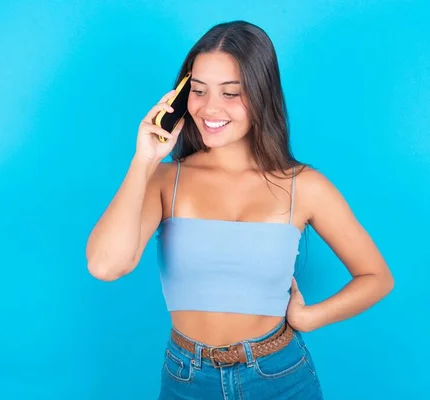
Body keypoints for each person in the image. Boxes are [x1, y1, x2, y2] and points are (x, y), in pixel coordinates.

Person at [85, 20, 394, 399]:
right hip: (187, 378)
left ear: (261, 95)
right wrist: (143, 159)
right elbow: (105, 265)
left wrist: (308, 318)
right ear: (181, 95)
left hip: (280, 375)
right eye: (197, 91)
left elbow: (376, 276)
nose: (210, 107)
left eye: (231, 93)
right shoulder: (165, 180)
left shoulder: (305, 186)